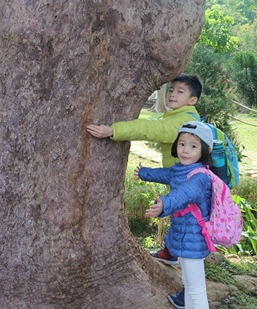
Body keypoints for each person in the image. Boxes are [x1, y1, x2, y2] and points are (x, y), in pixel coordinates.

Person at [86, 73, 203, 265]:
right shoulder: (181, 116)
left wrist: (113, 130)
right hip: (183, 180)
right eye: (171, 90)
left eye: (180, 92)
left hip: (187, 184)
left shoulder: (183, 123)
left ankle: (187, 269)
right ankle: (171, 252)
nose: (172, 94)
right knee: (180, 215)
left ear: (192, 100)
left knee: (186, 220)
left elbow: (147, 128)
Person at [134, 121, 213, 309]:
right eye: (182, 144)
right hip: (184, 237)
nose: (185, 150)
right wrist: (144, 172)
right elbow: (164, 174)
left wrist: (164, 204)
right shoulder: (179, 169)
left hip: (195, 238)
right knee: (188, 282)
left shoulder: (200, 177)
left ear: (204, 150)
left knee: (196, 289)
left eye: (193, 146)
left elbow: (184, 193)